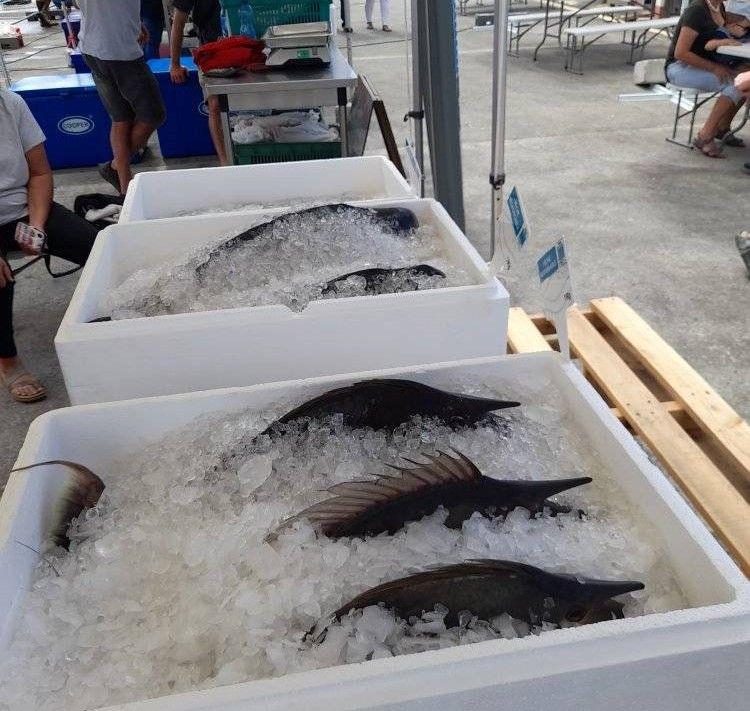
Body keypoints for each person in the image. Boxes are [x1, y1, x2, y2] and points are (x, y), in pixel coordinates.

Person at [0, 90, 99, 403]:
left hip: (22, 208)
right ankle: (7, 361)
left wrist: (37, 225)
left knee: (97, 245)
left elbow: (40, 173)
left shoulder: (10, 103)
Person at [78, 0, 166, 194]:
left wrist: (132, 23)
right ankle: (116, 166)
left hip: (92, 46)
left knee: (121, 118)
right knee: (153, 114)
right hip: (120, 52)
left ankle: (124, 186)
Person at [666, 0, 748, 158]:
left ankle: (722, 128)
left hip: (702, 65)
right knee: (738, 84)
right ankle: (705, 136)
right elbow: (680, 53)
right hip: (678, 68)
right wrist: (714, 68)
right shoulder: (697, 10)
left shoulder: (720, 8)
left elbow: (713, 38)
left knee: (745, 76)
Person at [169, 0, 228, 165]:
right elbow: (178, 22)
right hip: (211, 52)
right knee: (215, 104)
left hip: (247, 47)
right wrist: (174, 64)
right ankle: (226, 164)